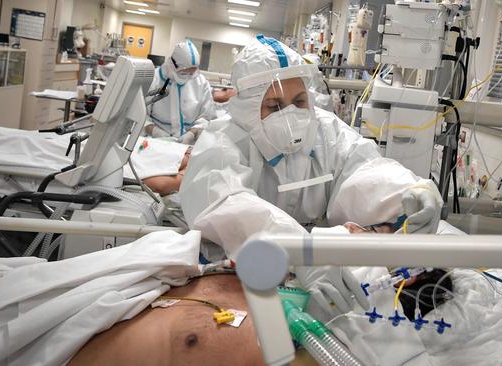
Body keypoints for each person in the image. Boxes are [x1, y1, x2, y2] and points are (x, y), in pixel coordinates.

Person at [179, 34, 443, 319]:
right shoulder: (222, 143)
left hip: (323, 272)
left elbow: (362, 170)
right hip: (240, 275)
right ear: (249, 109)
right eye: (275, 106)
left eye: (299, 100)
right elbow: (229, 205)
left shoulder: (326, 131)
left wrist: (406, 192)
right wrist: (301, 253)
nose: (291, 114)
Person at [145, 41, 216, 144]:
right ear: (172, 64)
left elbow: (206, 116)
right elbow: (140, 115)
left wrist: (192, 133)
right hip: (155, 143)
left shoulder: (201, 83)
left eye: (192, 73)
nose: (189, 76)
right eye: (184, 72)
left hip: (187, 145)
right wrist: (154, 131)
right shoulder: (153, 80)